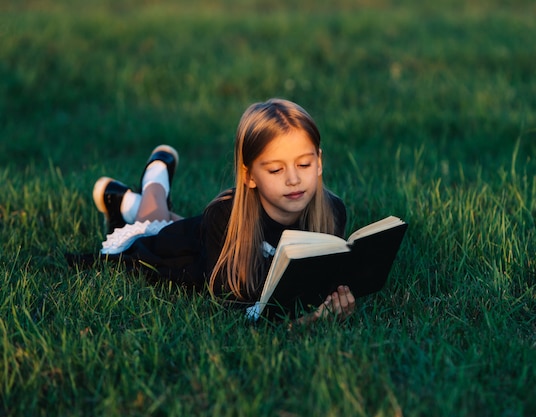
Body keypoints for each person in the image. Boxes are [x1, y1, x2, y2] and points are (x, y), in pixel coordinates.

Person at [90, 98, 355, 323]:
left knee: (184, 226)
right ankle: (154, 182)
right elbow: (230, 303)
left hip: (205, 235)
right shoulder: (225, 217)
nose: (293, 179)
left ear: (319, 162)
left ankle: (125, 199)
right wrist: (307, 321)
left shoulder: (332, 211)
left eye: (305, 165)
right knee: (153, 229)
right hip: (182, 255)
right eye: (276, 169)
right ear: (249, 175)